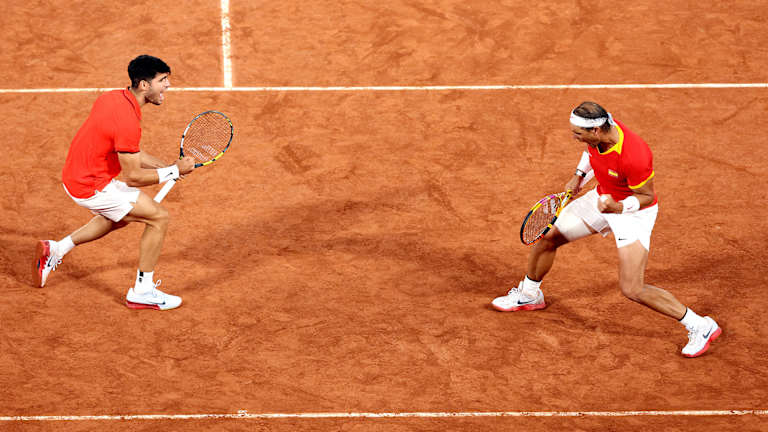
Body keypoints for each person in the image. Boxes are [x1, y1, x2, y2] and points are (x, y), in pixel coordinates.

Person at [491, 101, 721, 358]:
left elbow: (646, 197)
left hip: (632, 214)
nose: (574, 137)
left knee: (633, 288)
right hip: (601, 199)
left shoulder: (635, 155)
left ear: (596, 130)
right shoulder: (600, 134)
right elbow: (590, 152)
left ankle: (700, 325)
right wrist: (579, 175)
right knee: (549, 236)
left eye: (578, 133)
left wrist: (618, 207)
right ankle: (530, 294)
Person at [34, 55, 195, 310]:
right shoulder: (128, 122)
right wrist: (173, 171)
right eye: (162, 80)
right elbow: (133, 177)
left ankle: (56, 249)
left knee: (119, 217)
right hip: (90, 185)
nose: (168, 85)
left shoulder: (113, 98)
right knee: (158, 218)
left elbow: (132, 152)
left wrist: (167, 168)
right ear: (144, 85)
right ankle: (142, 292)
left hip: (77, 174)